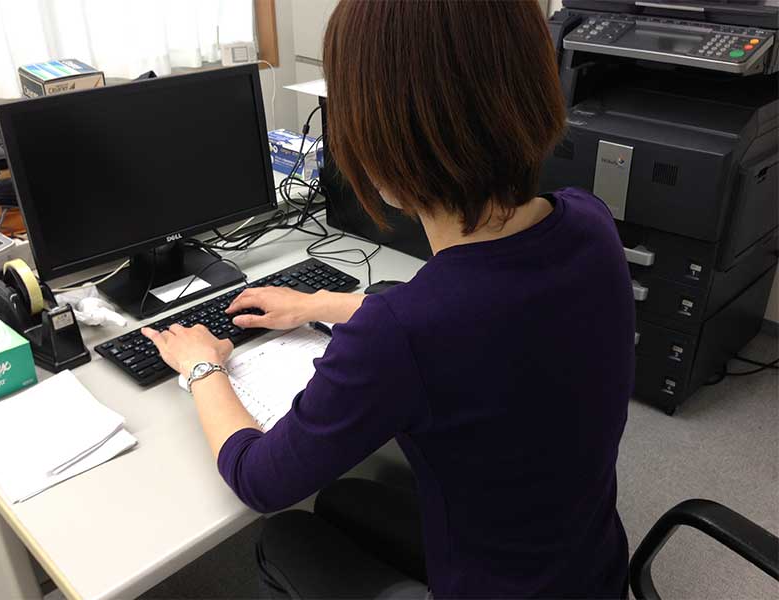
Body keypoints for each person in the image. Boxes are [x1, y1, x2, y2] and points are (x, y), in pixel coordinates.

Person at [142, 0, 635, 597]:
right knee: (345, 498)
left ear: (383, 137)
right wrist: (319, 305)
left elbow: (260, 480)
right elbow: (484, 318)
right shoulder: (589, 220)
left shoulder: (405, 334)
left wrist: (201, 366)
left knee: (285, 535)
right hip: (585, 564)